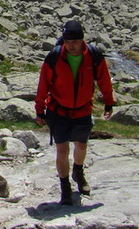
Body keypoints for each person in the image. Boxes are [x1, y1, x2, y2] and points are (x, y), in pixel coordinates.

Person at [34, 20, 115, 205]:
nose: (71, 45)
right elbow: (43, 84)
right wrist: (40, 109)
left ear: (82, 40)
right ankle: (65, 188)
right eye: (67, 41)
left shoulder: (93, 56)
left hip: (83, 109)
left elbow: (104, 79)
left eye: (75, 41)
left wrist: (109, 102)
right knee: (62, 149)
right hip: (58, 109)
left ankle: (78, 172)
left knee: (82, 146)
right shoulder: (54, 57)